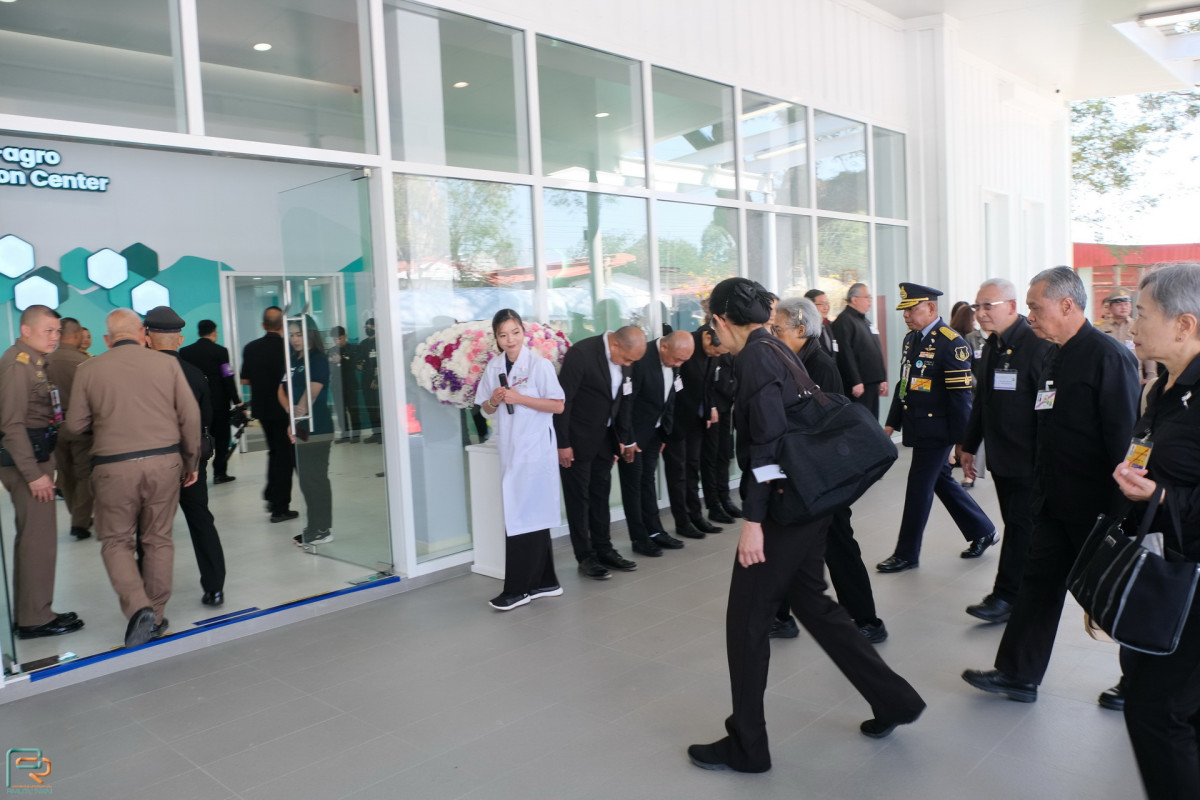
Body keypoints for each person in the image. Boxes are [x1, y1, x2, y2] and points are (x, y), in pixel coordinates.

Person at [687, 278, 924, 775]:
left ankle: (747, 745)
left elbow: (766, 444)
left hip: (786, 506)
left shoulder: (756, 356)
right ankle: (895, 699)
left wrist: (753, 521)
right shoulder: (775, 346)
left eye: (711, 321)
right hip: (812, 497)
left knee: (746, 621)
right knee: (813, 604)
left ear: (722, 320)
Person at [963, 266, 1140, 705]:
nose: (1030, 317)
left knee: (1113, 593)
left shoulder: (1107, 357)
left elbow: (1123, 439)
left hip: (1095, 506)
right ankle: (1018, 673)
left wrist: (1121, 511)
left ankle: (1142, 682)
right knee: (1038, 584)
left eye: (1035, 307)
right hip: (1052, 498)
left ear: (1066, 305)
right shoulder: (1051, 354)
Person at [1108, 265, 1200, 800]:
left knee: (1155, 712)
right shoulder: (1159, 388)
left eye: (1142, 314)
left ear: (1184, 324)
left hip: (1194, 579)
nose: (1132, 325)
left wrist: (1163, 497)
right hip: (1166, 567)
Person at [67, 308, 200, 648]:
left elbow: (75, 426)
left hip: (113, 466)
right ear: (143, 334)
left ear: (107, 339)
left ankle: (138, 607)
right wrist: (191, 461)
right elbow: (190, 416)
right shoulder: (166, 365)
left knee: (116, 541)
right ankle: (155, 615)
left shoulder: (88, 369)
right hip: (164, 462)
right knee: (158, 538)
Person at [769, 297, 888, 642]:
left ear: (801, 329)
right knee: (788, 545)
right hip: (804, 472)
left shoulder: (819, 365)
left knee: (839, 546)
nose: (773, 335)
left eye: (778, 329)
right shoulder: (790, 359)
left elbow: (823, 425)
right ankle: (780, 616)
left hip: (823, 475)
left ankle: (867, 621)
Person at [877, 283, 997, 573]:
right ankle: (983, 530)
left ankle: (906, 553)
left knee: (918, 488)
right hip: (918, 426)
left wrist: (963, 443)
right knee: (941, 480)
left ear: (931, 308)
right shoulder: (911, 340)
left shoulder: (951, 343)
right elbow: (904, 384)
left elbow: (960, 399)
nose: (906, 315)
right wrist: (891, 423)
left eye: (911, 309)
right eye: (904, 310)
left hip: (939, 430)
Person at [959, 279, 1053, 623]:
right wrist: (969, 446)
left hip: (1029, 458)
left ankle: (1007, 597)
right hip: (1002, 457)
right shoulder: (992, 346)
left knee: (1021, 528)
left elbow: (1048, 408)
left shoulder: (1036, 344)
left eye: (989, 306)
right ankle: (1017, 595)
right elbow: (982, 402)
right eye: (977, 307)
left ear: (1012, 307)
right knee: (1016, 525)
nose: (980, 313)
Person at [0, 305, 84, 640]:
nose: (54, 337)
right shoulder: (18, 366)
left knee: (35, 540)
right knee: (38, 542)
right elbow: (11, 425)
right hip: (27, 464)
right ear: (26, 330)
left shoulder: (36, 362)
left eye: (57, 331)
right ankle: (35, 619)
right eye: (47, 330)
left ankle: (31, 612)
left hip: (36, 458)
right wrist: (34, 474)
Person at [476, 309, 566, 610]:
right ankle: (545, 582)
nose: (510, 339)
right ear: (496, 338)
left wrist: (520, 398)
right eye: (503, 335)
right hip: (512, 449)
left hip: (535, 451)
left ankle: (518, 589)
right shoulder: (494, 367)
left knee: (523, 514)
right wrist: (494, 400)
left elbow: (558, 405)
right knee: (525, 512)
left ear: (523, 332)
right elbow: (485, 408)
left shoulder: (539, 365)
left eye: (514, 332)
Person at [146, 307, 226, 607]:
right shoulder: (194, 374)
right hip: (191, 462)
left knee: (152, 528)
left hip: (153, 463)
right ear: (179, 338)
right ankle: (215, 587)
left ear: (147, 337)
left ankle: (150, 595)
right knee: (201, 519)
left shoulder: (141, 375)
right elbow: (206, 419)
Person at [554, 325, 646, 580]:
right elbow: (564, 401)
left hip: (606, 440)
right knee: (579, 499)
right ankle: (585, 556)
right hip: (577, 440)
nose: (629, 364)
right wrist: (562, 443)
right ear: (615, 345)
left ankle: (604, 549)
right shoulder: (581, 354)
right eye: (627, 359)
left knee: (600, 496)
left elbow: (625, 400)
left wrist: (622, 440)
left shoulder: (627, 357)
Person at [618, 331, 695, 557]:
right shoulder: (641, 357)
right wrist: (627, 439)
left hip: (655, 432)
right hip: (633, 435)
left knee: (648, 481)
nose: (679, 364)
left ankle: (655, 531)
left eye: (683, 361)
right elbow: (626, 402)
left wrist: (664, 435)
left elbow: (671, 398)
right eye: (678, 359)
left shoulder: (674, 360)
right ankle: (639, 538)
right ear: (664, 347)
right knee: (633, 486)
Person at [663, 324, 728, 538]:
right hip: (677, 421)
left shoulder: (714, 351)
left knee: (693, 469)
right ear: (708, 338)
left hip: (697, 420)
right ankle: (682, 521)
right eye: (715, 352)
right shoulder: (686, 347)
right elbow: (672, 387)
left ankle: (696, 516)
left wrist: (709, 409)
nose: (716, 356)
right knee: (678, 474)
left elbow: (709, 385)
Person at [280, 317, 334, 547]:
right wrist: (290, 413)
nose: (295, 339)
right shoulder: (293, 359)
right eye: (292, 335)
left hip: (317, 425)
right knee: (305, 479)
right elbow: (281, 389)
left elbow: (312, 392)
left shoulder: (318, 359)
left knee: (316, 478)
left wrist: (296, 417)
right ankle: (313, 526)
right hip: (301, 425)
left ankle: (323, 529)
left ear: (310, 333)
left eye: (299, 334)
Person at [241, 307, 297, 523]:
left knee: (274, 451)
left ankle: (272, 495)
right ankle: (279, 508)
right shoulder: (288, 348)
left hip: (262, 409)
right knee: (284, 457)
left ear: (263, 325)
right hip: (284, 408)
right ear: (282, 326)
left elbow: (245, 380)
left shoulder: (250, 348)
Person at [46, 316, 95, 540]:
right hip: (83, 427)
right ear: (76, 335)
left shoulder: (45, 362)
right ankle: (80, 521)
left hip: (54, 427)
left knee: (65, 474)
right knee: (85, 474)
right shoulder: (85, 363)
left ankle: (77, 514)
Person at [180, 319, 239, 484]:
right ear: (214, 332)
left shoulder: (185, 352)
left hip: (195, 403)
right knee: (222, 439)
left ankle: (196, 471)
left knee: (196, 437)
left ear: (199, 332)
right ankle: (220, 473)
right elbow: (228, 377)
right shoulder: (221, 351)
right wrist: (237, 401)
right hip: (219, 403)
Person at [830, 282, 889, 419]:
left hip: (872, 382)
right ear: (854, 299)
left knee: (872, 421)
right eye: (867, 297)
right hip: (859, 385)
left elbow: (876, 350)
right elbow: (845, 353)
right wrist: (855, 381)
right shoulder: (844, 320)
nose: (870, 301)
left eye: (870, 297)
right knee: (862, 421)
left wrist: (882, 378)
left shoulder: (865, 321)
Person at [702, 344, 739, 524]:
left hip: (728, 406)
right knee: (711, 457)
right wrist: (712, 406)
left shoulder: (734, 343)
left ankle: (725, 498)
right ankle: (713, 504)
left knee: (724, 454)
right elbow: (705, 379)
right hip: (713, 408)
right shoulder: (710, 342)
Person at [1100, 291, 1157, 384]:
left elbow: (1147, 351)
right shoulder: (1100, 329)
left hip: (1134, 377)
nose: (1124, 307)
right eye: (1119, 304)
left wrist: (1151, 375)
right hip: (1108, 377)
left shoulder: (1139, 326)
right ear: (1110, 307)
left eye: (1126, 304)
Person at [327, 325, 361, 442]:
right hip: (337, 386)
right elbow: (328, 368)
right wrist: (332, 362)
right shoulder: (331, 351)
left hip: (350, 385)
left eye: (339, 338)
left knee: (353, 410)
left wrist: (342, 359)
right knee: (340, 411)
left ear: (345, 336)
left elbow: (355, 364)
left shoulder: (353, 348)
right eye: (335, 339)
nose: (337, 341)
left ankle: (356, 435)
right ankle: (344, 434)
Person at [358, 318, 382, 443]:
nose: (368, 329)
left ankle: (383, 434)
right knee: (370, 408)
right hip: (366, 380)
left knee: (379, 408)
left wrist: (376, 379)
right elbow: (359, 359)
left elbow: (381, 364)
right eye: (366, 327)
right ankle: (375, 433)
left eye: (370, 327)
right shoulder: (363, 344)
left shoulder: (381, 342)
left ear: (376, 327)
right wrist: (358, 364)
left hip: (378, 381)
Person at [803, 288, 837, 356]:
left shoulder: (827, 327)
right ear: (810, 306)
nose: (826, 307)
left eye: (827, 303)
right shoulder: (805, 330)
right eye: (822, 304)